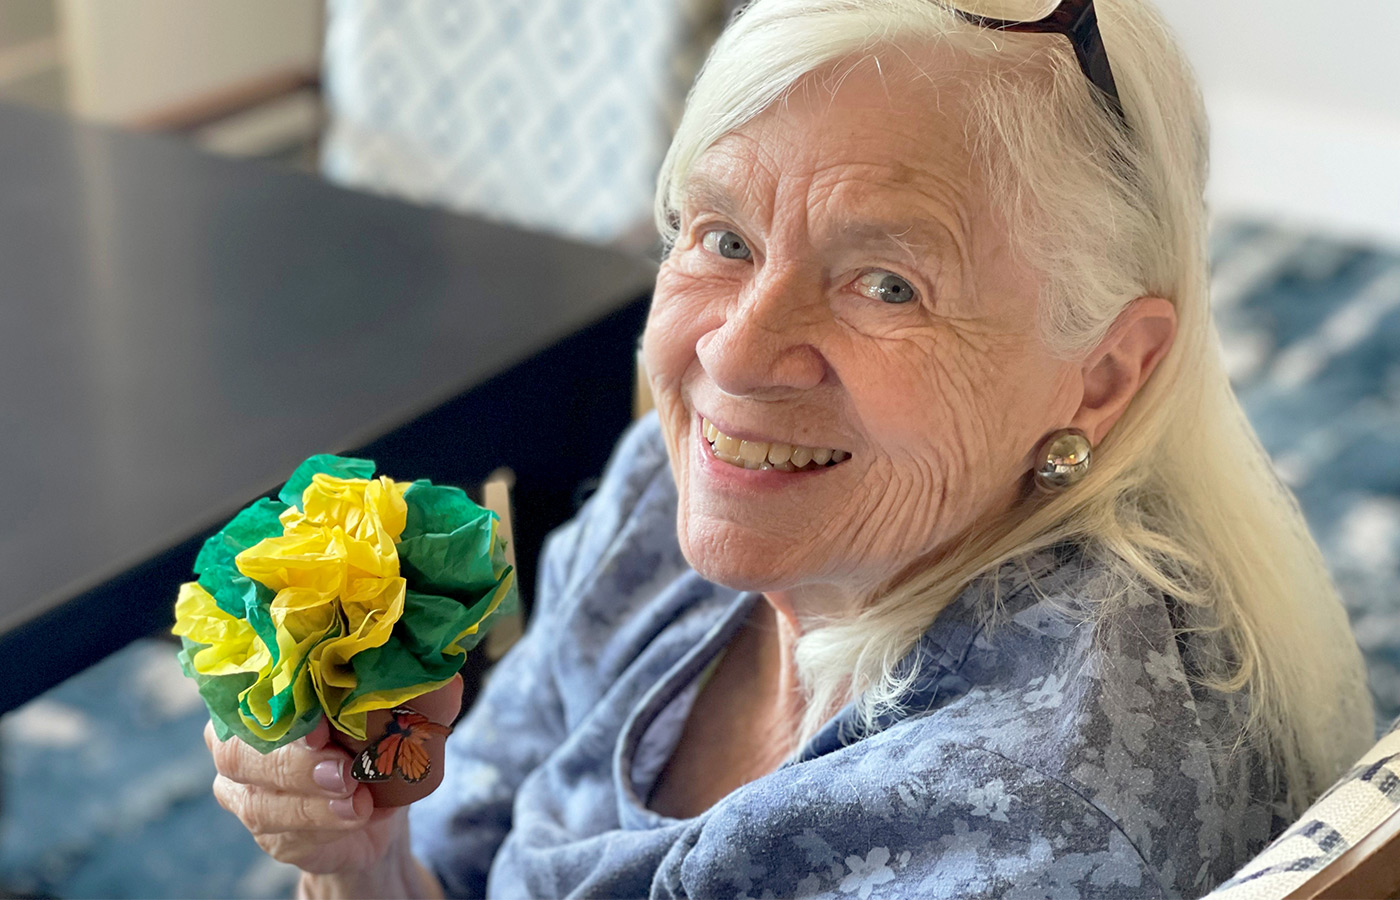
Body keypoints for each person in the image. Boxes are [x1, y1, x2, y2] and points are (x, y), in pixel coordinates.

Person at [204, 1, 1375, 896]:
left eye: (885, 284)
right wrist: (360, 857)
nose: (739, 352)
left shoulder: (1025, 826)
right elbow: (466, 863)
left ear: (1105, 373)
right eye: (720, 234)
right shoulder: (669, 490)